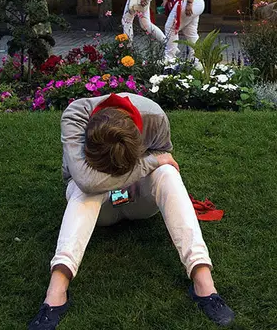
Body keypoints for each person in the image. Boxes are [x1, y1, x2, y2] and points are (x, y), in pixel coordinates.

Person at [28, 93, 235, 329]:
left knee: (167, 174)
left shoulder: (155, 117)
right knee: (84, 188)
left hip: (140, 201)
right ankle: (56, 292)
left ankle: (203, 282)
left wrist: (152, 165)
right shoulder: (76, 117)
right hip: (99, 208)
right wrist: (148, 162)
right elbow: (86, 180)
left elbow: (166, 159)